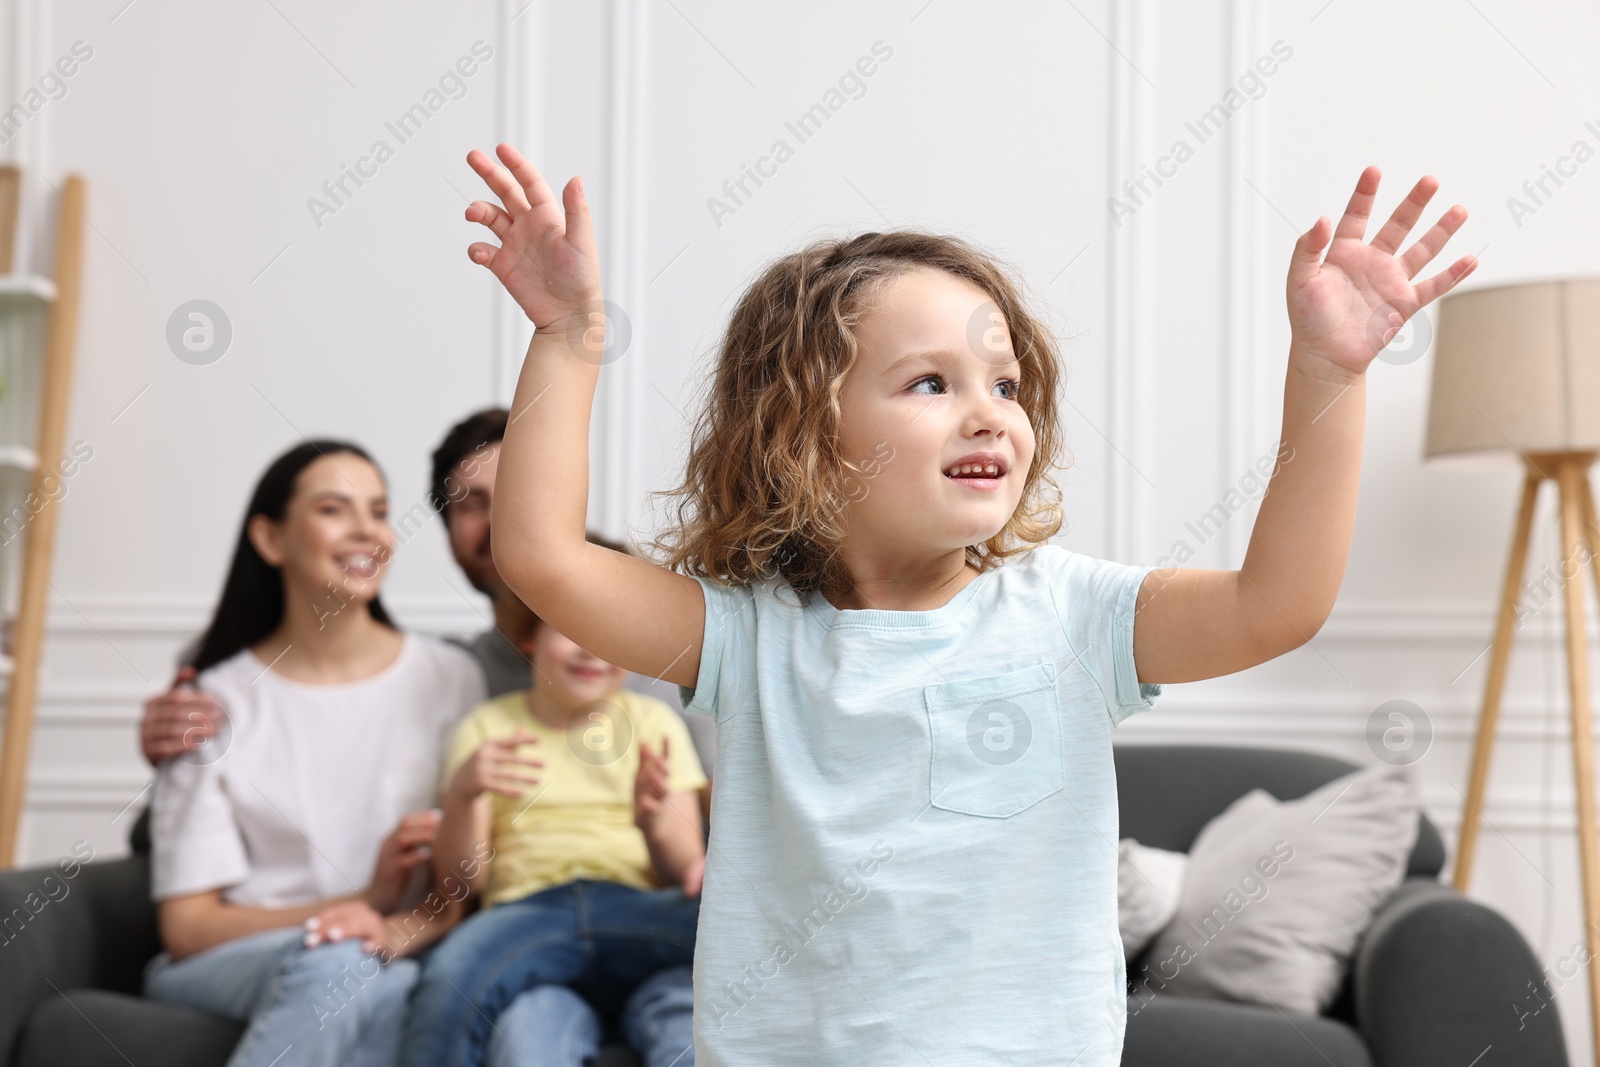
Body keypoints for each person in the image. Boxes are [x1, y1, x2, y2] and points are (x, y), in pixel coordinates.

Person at [456, 145, 1476, 1065]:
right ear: (802, 436)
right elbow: (541, 556)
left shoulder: (1073, 616)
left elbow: (1277, 603)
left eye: (1006, 381)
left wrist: (1327, 373)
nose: (991, 408)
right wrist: (565, 337)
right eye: (930, 382)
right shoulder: (750, 635)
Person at [141, 408, 717, 815]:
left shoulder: (668, 652)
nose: (501, 526)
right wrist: (178, 741)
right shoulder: (448, 676)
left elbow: (737, 814)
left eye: (519, 501)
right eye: (473, 504)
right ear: (445, 533)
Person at [141, 440, 490, 1067]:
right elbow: (188, 930)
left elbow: (464, 885)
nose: (367, 530)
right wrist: (365, 900)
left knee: (391, 985)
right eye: (334, 509)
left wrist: (384, 921)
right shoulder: (211, 704)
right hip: (235, 962)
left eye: (379, 510)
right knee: (351, 965)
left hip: (391, 953)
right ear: (271, 539)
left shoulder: (451, 679)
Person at [395, 529, 707, 1067]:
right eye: (568, 627)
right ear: (528, 636)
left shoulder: (655, 723)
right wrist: (467, 792)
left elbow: (685, 870)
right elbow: (464, 883)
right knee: (456, 980)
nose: (590, 647)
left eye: (608, 629)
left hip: (635, 911)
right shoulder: (487, 728)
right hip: (525, 916)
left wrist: (656, 823)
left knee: (720, 944)